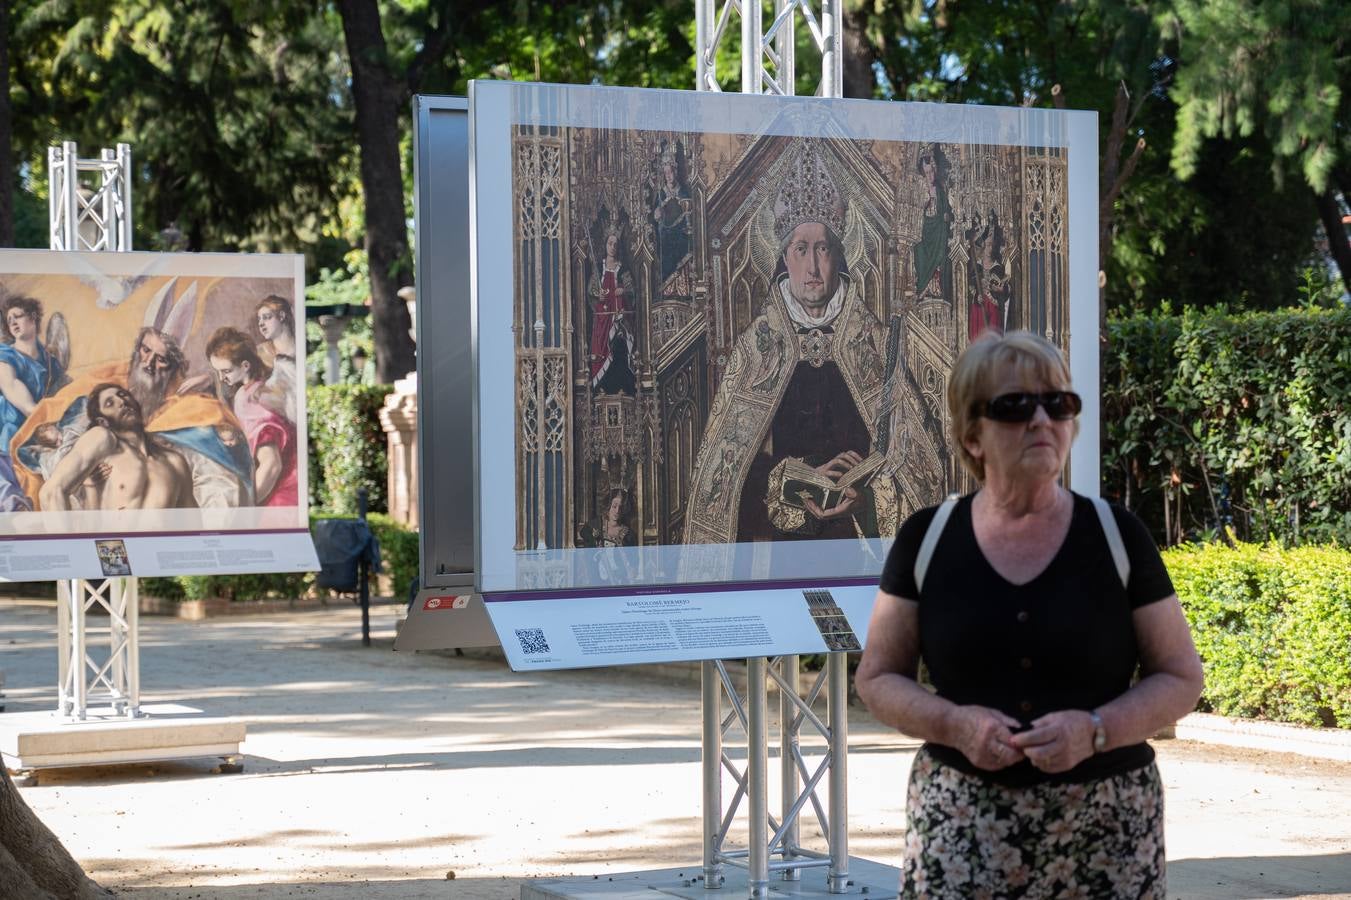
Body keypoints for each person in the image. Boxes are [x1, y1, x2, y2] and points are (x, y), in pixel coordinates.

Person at [855, 330, 1204, 899]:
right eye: (1015, 406)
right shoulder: (928, 538)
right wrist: (954, 725)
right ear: (973, 435)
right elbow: (877, 678)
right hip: (961, 826)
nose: (1042, 420)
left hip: (1106, 829)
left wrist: (1094, 731)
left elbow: (1182, 677)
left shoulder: (1117, 536)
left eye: (1058, 403)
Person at [684, 145, 933, 545]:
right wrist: (796, 481)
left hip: (860, 548)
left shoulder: (875, 346)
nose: (813, 268)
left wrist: (865, 500)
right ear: (784, 256)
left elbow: (914, 467)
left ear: (839, 253)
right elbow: (727, 481)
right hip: (782, 552)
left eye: (823, 249)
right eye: (802, 249)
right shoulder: (756, 352)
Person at [40, 383, 195, 511]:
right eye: (110, 403)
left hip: (156, 546)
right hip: (112, 547)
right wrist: (69, 547)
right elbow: (51, 492)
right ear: (103, 422)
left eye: (123, 395)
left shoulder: (175, 462)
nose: (122, 402)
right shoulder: (103, 440)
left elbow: (192, 525)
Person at [206, 327, 298, 507]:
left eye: (226, 371)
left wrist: (247, 508)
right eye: (218, 372)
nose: (221, 377)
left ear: (245, 366)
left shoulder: (249, 398)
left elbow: (271, 465)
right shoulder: (255, 390)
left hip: (279, 501)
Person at [0, 294, 69, 511]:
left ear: (32, 317)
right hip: (9, 427)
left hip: (39, 431)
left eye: (17, 316)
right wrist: (42, 418)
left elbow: (61, 395)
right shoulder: (5, 354)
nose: (12, 322)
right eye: (9, 319)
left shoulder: (51, 362)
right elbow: (11, 388)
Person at [587, 227, 637, 396]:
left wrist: (623, 290)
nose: (613, 247)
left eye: (616, 244)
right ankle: (603, 388)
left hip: (618, 317)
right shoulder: (598, 268)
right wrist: (597, 294)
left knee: (619, 347)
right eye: (610, 243)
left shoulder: (622, 269)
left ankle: (622, 387)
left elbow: (631, 289)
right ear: (605, 245)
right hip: (602, 318)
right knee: (601, 351)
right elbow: (591, 291)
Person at [577, 488, 638, 583]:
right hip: (597, 579)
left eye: (621, 507)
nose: (617, 511)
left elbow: (633, 561)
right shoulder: (596, 524)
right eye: (614, 506)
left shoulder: (629, 534)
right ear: (608, 506)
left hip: (620, 581)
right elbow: (584, 533)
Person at [254, 295, 298, 419]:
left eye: (267, 318)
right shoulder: (260, 353)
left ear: (282, 316)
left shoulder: (301, 347)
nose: (261, 324)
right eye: (259, 320)